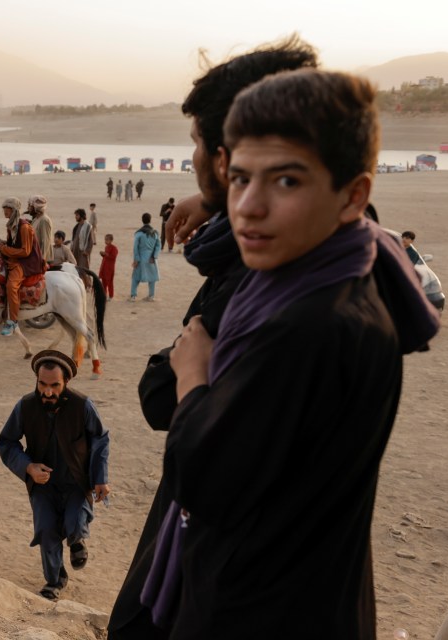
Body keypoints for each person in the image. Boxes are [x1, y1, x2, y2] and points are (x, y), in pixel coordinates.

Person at [143, 69, 441, 639]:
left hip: (265, 611)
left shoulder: (302, 325)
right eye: (240, 179)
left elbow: (202, 479)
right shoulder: (345, 274)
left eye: (285, 182)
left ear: (354, 195)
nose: (248, 208)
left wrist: (192, 374)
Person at [109, 36, 322, 639]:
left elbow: (178, 420)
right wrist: (215, 201)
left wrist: (186, 371)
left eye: (199, 145)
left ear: (227, 158)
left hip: (231, 586)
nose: (193, 157)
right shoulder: (340, 249)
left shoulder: (266, 287)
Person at [0, 350, 110, 601]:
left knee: (74, 520)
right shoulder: (25, 406)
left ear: (65, 382)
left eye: (54, 386)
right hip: (43, 485)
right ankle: (56, 579)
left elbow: (100, 438)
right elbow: (6, 442)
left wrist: (100, 477)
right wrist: (28, 467)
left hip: (76, 481)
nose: (47, 392)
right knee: (46, 530)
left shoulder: (83, 405)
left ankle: (77, 540)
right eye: (42, 384)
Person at [0, 197, 45, 336]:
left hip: (26, 262)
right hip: (15, 259)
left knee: (11, 286)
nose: (4, 210)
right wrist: (2, 244)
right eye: (4, 208)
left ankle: (13, 321)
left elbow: (25, 251)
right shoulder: (11, 225)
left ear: (13, 210)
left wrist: (3, 248)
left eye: (6, 208)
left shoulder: (24, 227)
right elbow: (13, 245)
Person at [130, 213, 159, 302]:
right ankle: (151, 296)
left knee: (135, 277)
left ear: (142, 220)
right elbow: (158, 246)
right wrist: (154, 256)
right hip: (151, 258)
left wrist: (136, 259)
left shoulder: (139, 233)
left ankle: (133, 296)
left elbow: (135, 247)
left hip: (141, 257)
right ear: (150, 220)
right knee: (152, 278)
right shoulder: (155, 233)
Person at [28, 195, 53, 266]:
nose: (28, 208)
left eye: (30, 206)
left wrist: (41, 259)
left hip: (41, 260)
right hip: (34, 257)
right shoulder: (36, 219)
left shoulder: (44, 220)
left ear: (35, 207)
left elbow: (45, 242)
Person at [98, 234, 118, 301]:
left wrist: (105, 254)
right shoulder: (106, 247)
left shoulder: (114, 248)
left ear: (111, 240)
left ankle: (111, 296)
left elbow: (113, 257)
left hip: (110, 268)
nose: (106, 241)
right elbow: (106, 257)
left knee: (109, 282)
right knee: (103, 282)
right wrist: (102, 254)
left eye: (107, 240)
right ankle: (104, 295)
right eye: (105, 240)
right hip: (104, 267)